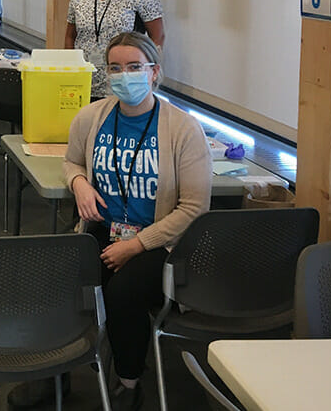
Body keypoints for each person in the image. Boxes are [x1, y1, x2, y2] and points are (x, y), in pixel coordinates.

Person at [64, 32, 210, 409]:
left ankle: (129, 384)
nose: (123, 76)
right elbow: (73, 161)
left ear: (154, 72)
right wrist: (79, 184)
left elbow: (194, 208)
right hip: (102, 231)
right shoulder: (90, 117)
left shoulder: (182, 129)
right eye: (115, 68)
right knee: (60, 277)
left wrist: (136, 245)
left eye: (134, 67)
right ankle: (56, 376)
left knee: (122, 293)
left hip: (161, 242)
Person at [65, 0, 166, 99]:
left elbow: (158, 36)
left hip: (123, 80)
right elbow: (70, 36)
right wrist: (70, 69)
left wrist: (145, 73)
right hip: (84, 81)